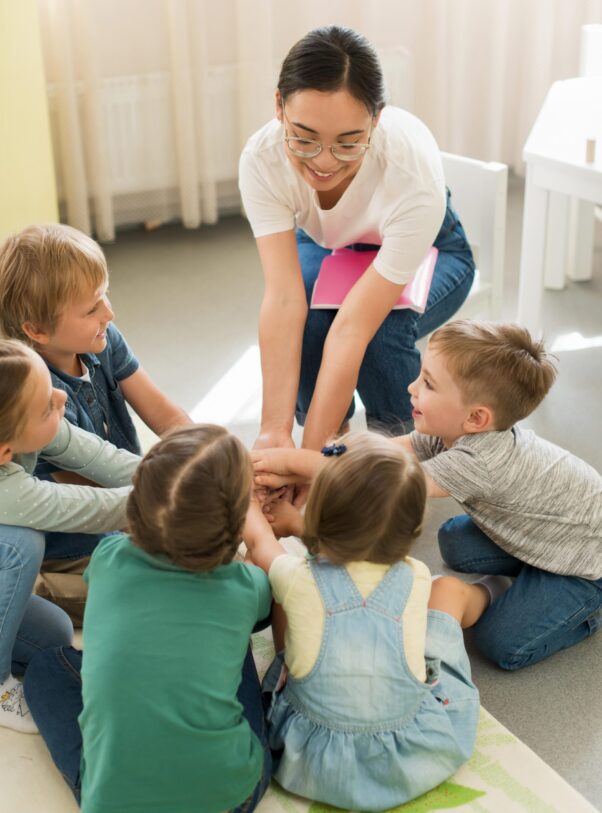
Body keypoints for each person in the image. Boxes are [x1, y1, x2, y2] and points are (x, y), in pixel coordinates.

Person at [254, 320, 602, 671]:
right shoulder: (448, 430)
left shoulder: (479, 460)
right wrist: (291, 470)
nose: (411, 387)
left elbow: (382, 480)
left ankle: (586, 611)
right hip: (544, 533)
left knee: (502, 645)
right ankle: (531, 577)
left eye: (428, 384)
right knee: (453, 541)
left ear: (476, 418)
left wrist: (286, 461)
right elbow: (375, 457)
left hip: (583, 565)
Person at [239, 25, 475, 454]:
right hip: (330, 242)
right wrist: (275, 433)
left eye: (348, 144)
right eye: (304, 139)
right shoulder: (262, 159)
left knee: (380, 336)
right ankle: (334, 442)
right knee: (310, 321)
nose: (324, 163)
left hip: (434, 248)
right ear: (278, 105)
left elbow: (353, 329)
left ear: (377, 118)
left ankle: (399, 456)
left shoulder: (411, 176)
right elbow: (283, 299)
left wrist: (308, 462)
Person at [23, 425, 273, 813]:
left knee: (45, 668)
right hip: (231, 798)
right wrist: (260, 542)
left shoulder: (109, 556)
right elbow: (265, 600)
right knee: (232, 633)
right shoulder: (244, 585)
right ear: (235, 524)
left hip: (116, 804)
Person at [243, 432, 490, 811]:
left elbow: (261, 544)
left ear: (318, 518)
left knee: (282, 586)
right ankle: (491, 595)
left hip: (311, 762)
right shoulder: (416, 576)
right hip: (411, 759)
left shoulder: (298, 577)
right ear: (411, 531)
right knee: (448, 596)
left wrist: (249, 503)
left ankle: (294, 661)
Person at [0, 223, 190, 619]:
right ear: (37, 331)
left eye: (105, 296)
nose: (109, 313)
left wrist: (209, 457)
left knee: (209, 546)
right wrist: (179, 506)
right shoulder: (30, 398)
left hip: (128, 498)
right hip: (79, 540)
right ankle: (33, 592)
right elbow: (89, 492)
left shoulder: (105, 337)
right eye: (92, 308)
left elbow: (165, 414)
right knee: (169, 582)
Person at [0, 333, 139, 732]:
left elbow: (102, 458)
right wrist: (189, 489)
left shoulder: (8, 427)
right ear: (3, 452)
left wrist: (178, 468)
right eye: (46, 406)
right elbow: (96, 510)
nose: (61, 397)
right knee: (16, 544)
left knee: (54, 635)